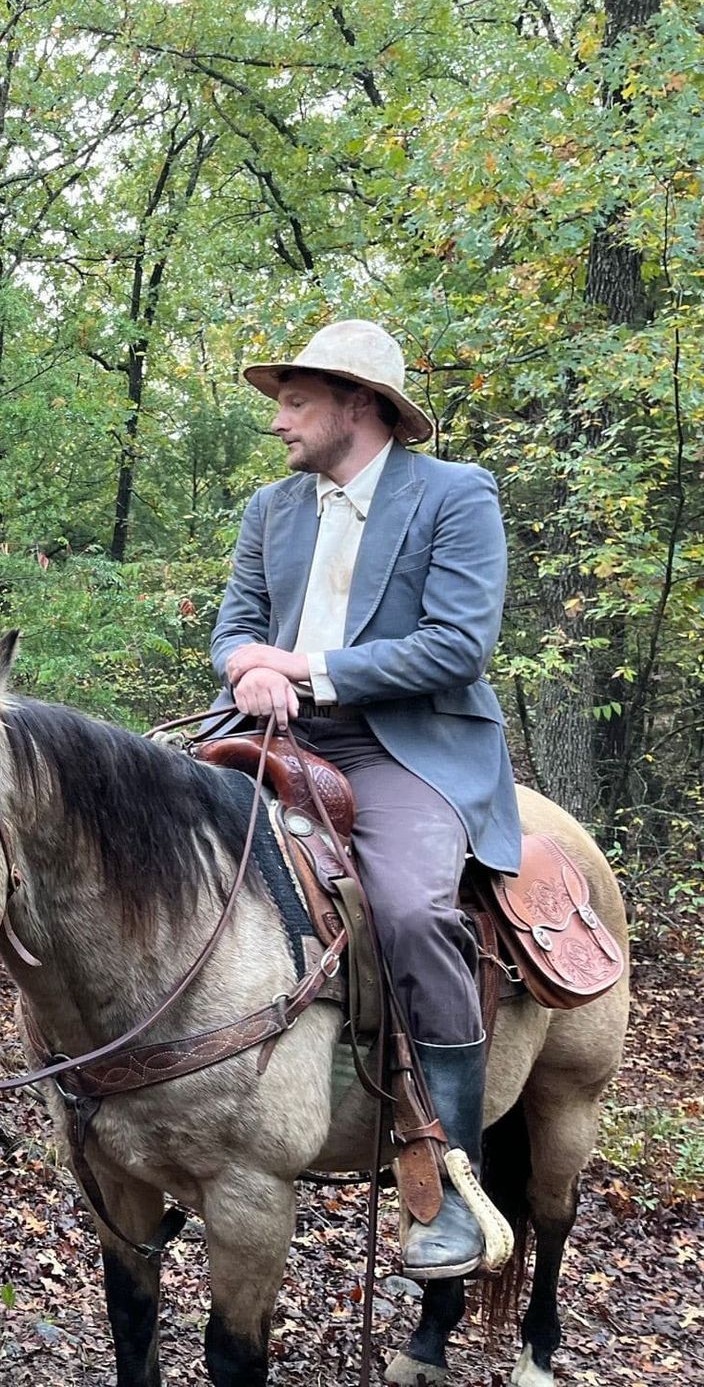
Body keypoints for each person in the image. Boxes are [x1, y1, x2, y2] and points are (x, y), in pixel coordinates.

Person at [211, 319, 524, 1279]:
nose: (278, 422)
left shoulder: (456, 495)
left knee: (412, 909)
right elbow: (235, 628)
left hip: (404, 747)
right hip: (273, 732)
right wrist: (247, 671)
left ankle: (453, 1183)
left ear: (360, 404)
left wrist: (302, 670)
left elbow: (457, 645)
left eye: (295, 401)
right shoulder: (272, 508)